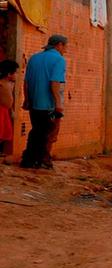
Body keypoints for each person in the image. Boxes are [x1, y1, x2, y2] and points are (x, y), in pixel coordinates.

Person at [20, 34, 68, 169]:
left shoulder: (34, 58)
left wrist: (27, 99)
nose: (65, 50)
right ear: (59, 45)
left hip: (34, 102)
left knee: (37, 131)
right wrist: (58, 103)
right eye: (65, 46)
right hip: (48, 104)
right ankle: (38, 160)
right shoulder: (59, 60)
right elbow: (54, 82)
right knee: (46, 133)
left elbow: (26, 82)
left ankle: (30, 160)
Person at [0, 60, 19, 155]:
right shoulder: (1, 84)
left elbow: (10, 98)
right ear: (9, 74)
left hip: (6, 111)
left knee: (6, 133)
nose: (16, 75)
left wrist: (11, 110)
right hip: (1, 110)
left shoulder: (10, 84)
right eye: (15, 72)